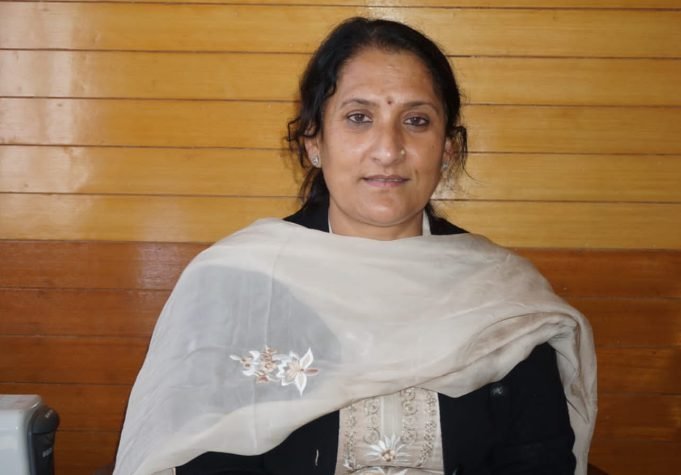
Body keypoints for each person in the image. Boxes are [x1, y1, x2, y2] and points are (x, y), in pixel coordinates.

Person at [113, 17, 596, 475]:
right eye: (359, 117)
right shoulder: (239, 285)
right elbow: (205, 459)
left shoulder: (503, 298)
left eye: (417, 121)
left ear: (447, 148)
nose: (388, 149)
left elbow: (537, 459)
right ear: (313, 141)